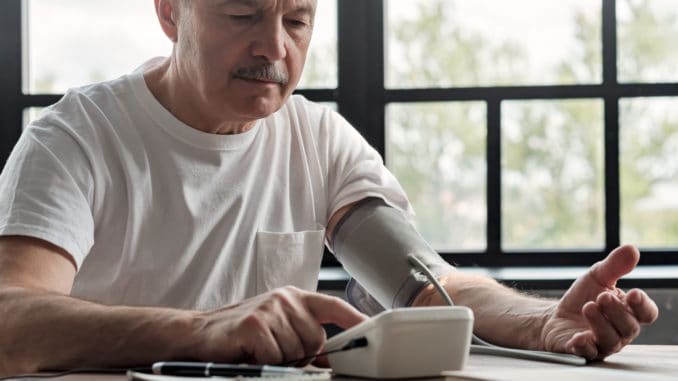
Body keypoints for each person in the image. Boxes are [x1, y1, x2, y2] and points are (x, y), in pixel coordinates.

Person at [0, 0, 658, 376]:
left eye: (296, 20)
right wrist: (199, 330)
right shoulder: (77, 136)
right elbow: (10, 318)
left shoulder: (316, 137)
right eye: (242, 13)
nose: (273, 47)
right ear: (171, 12)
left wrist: (542, 321)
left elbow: (426, 285)